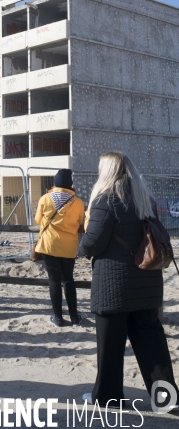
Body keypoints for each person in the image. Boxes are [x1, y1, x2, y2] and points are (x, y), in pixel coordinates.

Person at [77, 151, 179, 409]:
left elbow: (93, 242)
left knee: (110, 349)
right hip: (147, 284)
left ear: (107, 171)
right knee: (153, 346)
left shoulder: (105, 199)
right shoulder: (146, 199)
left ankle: (108, 399)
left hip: (114, 286)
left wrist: (81, 247)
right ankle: (168, 400)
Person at [34, 169, 84, 327]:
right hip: (69, 246)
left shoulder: (45, 198)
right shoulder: (78, 202)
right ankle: (74, 317)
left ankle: (58, 318)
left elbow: (37, 220)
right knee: (68, 279)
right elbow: (79, 223)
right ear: (70, 184)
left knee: (54, 280)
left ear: (55, 182)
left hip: (49, 245)